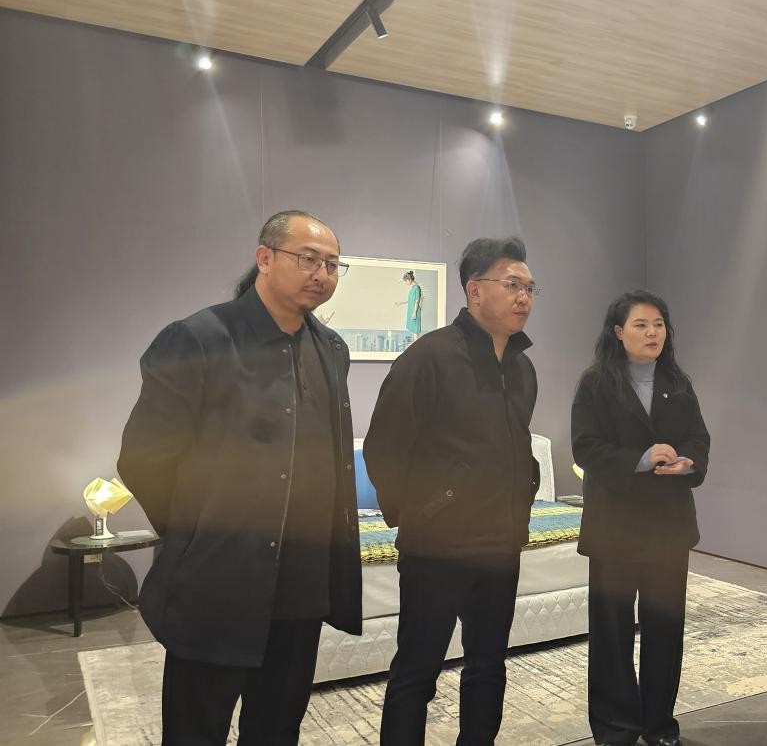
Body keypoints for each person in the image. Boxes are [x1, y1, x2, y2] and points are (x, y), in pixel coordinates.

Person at [118, 210, 362, 745]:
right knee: (196, 730)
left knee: (277, 728)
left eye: (332, 264)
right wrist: (197, 530)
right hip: (218, 580)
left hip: (302, 586)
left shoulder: (331, 349)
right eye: (308, 258)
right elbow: (143, 458)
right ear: (264, 258)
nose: (321, 273)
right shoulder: (199, 338)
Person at [365, 236, 541, 746]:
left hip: (501, 545)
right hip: (436, 550)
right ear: (474, 289)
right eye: (513, 285)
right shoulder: (429, 357)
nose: (524, 297)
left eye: (530, 288)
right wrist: (422, 513)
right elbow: (383, 448)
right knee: (416, 673)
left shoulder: (523, 368)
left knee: (488, 667)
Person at [571, 290, 711, 746]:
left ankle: (659, 724)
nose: (653, 333)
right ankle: (615, 728)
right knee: (612, 633)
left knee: (664, 630)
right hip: (615, 526)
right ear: (618, 332)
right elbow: (585, 447)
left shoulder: (677, 381)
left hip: (668, 526)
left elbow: (699, 438)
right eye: (641, 324)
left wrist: (688, 462)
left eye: (659, 324)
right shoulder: (595, 382)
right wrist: (641, 459)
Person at [395, 270, 423, 338]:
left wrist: (414, 313)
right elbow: (411, 300)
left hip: (415, 310)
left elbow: (417, 301)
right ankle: (415, 342)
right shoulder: (413, 287)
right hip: (411, 310)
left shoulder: (416, 288)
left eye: (406, 281)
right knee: (413, 329)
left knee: (415, 330)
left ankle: (416, 343)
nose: (405, 283)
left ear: (410, 279)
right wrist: (401, 303)